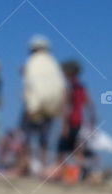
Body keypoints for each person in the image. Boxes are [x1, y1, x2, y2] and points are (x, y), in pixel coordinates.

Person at [18, 35, 65, 177]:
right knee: (44, 140)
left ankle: (23, 166)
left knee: (26, 137)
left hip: (34, 106)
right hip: (50, 109)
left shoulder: (32, 61)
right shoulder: (53, 63)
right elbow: (61, 87)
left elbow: (29, 86)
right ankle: (44, 169)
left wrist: (30, 106)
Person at [54, 59, 96, 183]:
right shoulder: (81, 87)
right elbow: (90, 105)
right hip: (80, 121)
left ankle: (61, 174)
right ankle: (84, 170)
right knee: (76, 150)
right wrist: (91, 123)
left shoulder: (69, 86)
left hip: (71, 121)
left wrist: (64, 126)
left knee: (61, 150)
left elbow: (66, 107)